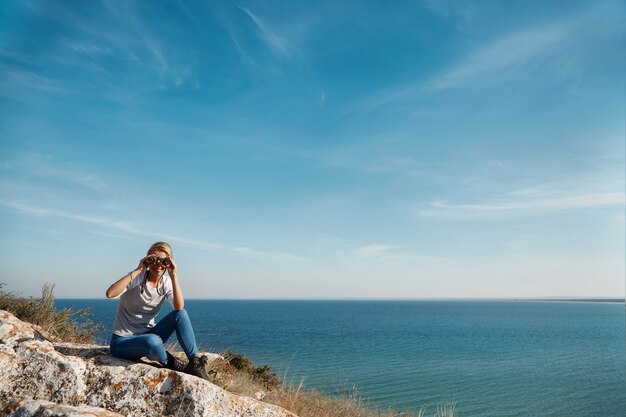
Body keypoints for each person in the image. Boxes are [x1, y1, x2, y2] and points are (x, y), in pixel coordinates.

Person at [105, 241, 208, 379]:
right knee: (153, 341)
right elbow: (110, 294)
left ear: (169, 263)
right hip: (123, 342)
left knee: (181, 314)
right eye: (154, 260)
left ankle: (194, 363)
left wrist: (173, 275)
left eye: (163, 261)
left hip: (149, 334)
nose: (158, 264)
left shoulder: (166, 282)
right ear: (147, 260)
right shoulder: (138, 278)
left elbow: (179, 307)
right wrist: (137, 270)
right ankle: (172, 363)